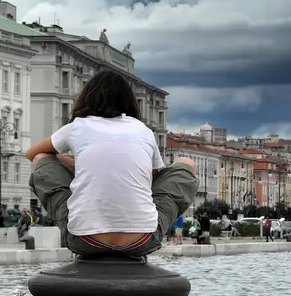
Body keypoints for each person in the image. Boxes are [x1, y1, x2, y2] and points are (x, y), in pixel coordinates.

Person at [25, 69, 199, 258]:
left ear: (86, 98)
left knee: (42, 158)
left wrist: (72, 162)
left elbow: (32, 153)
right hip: (143, 239)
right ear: (130, 102)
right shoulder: (143, 130)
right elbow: (155, 175)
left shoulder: (77, 126)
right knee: (186, 163)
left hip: (83, 240)